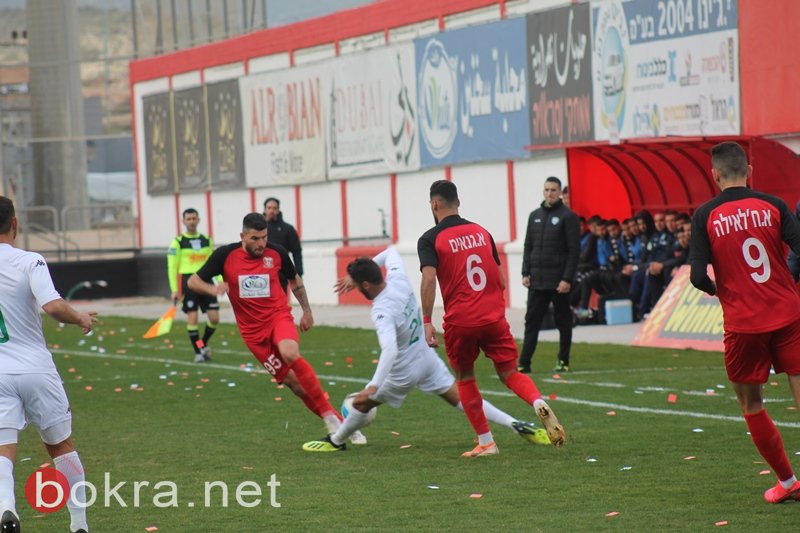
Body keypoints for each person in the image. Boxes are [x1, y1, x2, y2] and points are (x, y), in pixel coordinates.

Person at [302, 247, 550, 452]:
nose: (355, 288)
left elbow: (389, 350)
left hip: (403, 372)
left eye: (357, 285)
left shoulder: (381, 310)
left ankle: (336, 441)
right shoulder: (397, 279)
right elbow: (390, 252)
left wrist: (374, 383)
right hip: (426, 357)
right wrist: (361, 270)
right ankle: (516, 423)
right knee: (462, 397)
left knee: (360, 404)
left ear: (366, 285)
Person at [417, 180, 566, 457]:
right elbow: (499, 280)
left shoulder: (430, 238)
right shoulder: (481, 232)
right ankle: (536, 402)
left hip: (461, 321)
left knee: (464, 378)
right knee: (510, 372)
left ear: (434, 204)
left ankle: (486, 442)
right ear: (458, 202)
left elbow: (428, 280)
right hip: (493, 317)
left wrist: (427, 321)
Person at [187, 213, 364, 444]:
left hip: (278, 317)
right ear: (242, 236)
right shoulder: (225, 255)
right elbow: (193, 281)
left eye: (264, 237)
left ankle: (335, 422)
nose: (261, 243)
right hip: (252, 334)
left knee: (290, 352)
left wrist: (307, 311)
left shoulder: (277, 252)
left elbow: (295, 281)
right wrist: (214, 290)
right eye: (255, 238)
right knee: (295, 385)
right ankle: (337, 420)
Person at [690, 141, 800, 504]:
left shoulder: (705, 214)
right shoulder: (773, 205)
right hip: (788, 313)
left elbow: (696, 276)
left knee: (752, 404)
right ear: (749, 171)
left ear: (715, 174)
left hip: (743, 322)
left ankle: (787, 482)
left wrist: (720, 291)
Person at [0, 196, 95, 533]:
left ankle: (6, 508)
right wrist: (80, 316)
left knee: (3, 448)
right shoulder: (30, 261)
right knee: (60, 445)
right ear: (15, 224)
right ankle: (79, 525)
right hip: (35, 367)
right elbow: (53, 306)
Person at [519, 177, 580, 372]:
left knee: (563, 322)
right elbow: (528, 246)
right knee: (532, 322)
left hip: (558, 281)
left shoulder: (568, 216)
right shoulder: (534, 215)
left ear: (560, 192)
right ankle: (524, 363)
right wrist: (525, 272)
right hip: (537, 280)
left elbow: (573, 251)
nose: (549, 193)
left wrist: (567, 279)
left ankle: (563, 361)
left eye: (553, 190)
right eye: (546, 189)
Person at [167, 208, 220, 363]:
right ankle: (198, 352)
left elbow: (214, 263)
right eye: (188, 219)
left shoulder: (207, 240)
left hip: (206, 281)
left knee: (214, 318)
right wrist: (174, 290)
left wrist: (221, 280)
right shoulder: (177, 242)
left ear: (198, 220)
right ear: (183, 221)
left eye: (193, 218)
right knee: (193, 318)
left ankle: (202, 343)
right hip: (188, 283)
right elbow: (171, 267)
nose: (191, 221)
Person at [263, 197, 303, 277]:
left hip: (281, 272)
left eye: (274, 208)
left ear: (278, 210)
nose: (272, 211)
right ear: (265, 209)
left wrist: (299, 272)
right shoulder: (258, 228)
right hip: (262, 270)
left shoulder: (287, 229)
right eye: (269, 208)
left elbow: (296, 251)